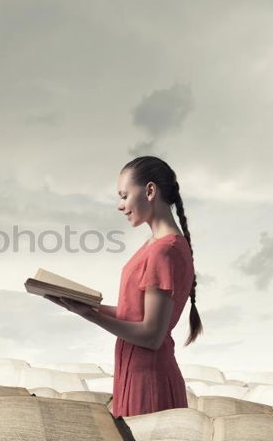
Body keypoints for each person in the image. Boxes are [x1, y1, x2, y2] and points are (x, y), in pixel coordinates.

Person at [45, 156, 202, 417]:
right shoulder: (157, 245)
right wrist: (85, 306)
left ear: (150, 191)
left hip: (148, 379)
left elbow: (151, 336)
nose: (120, 206)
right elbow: (136, 315)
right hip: (136, 372)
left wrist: (92, 316)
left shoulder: (164, 250)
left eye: (124, 195)